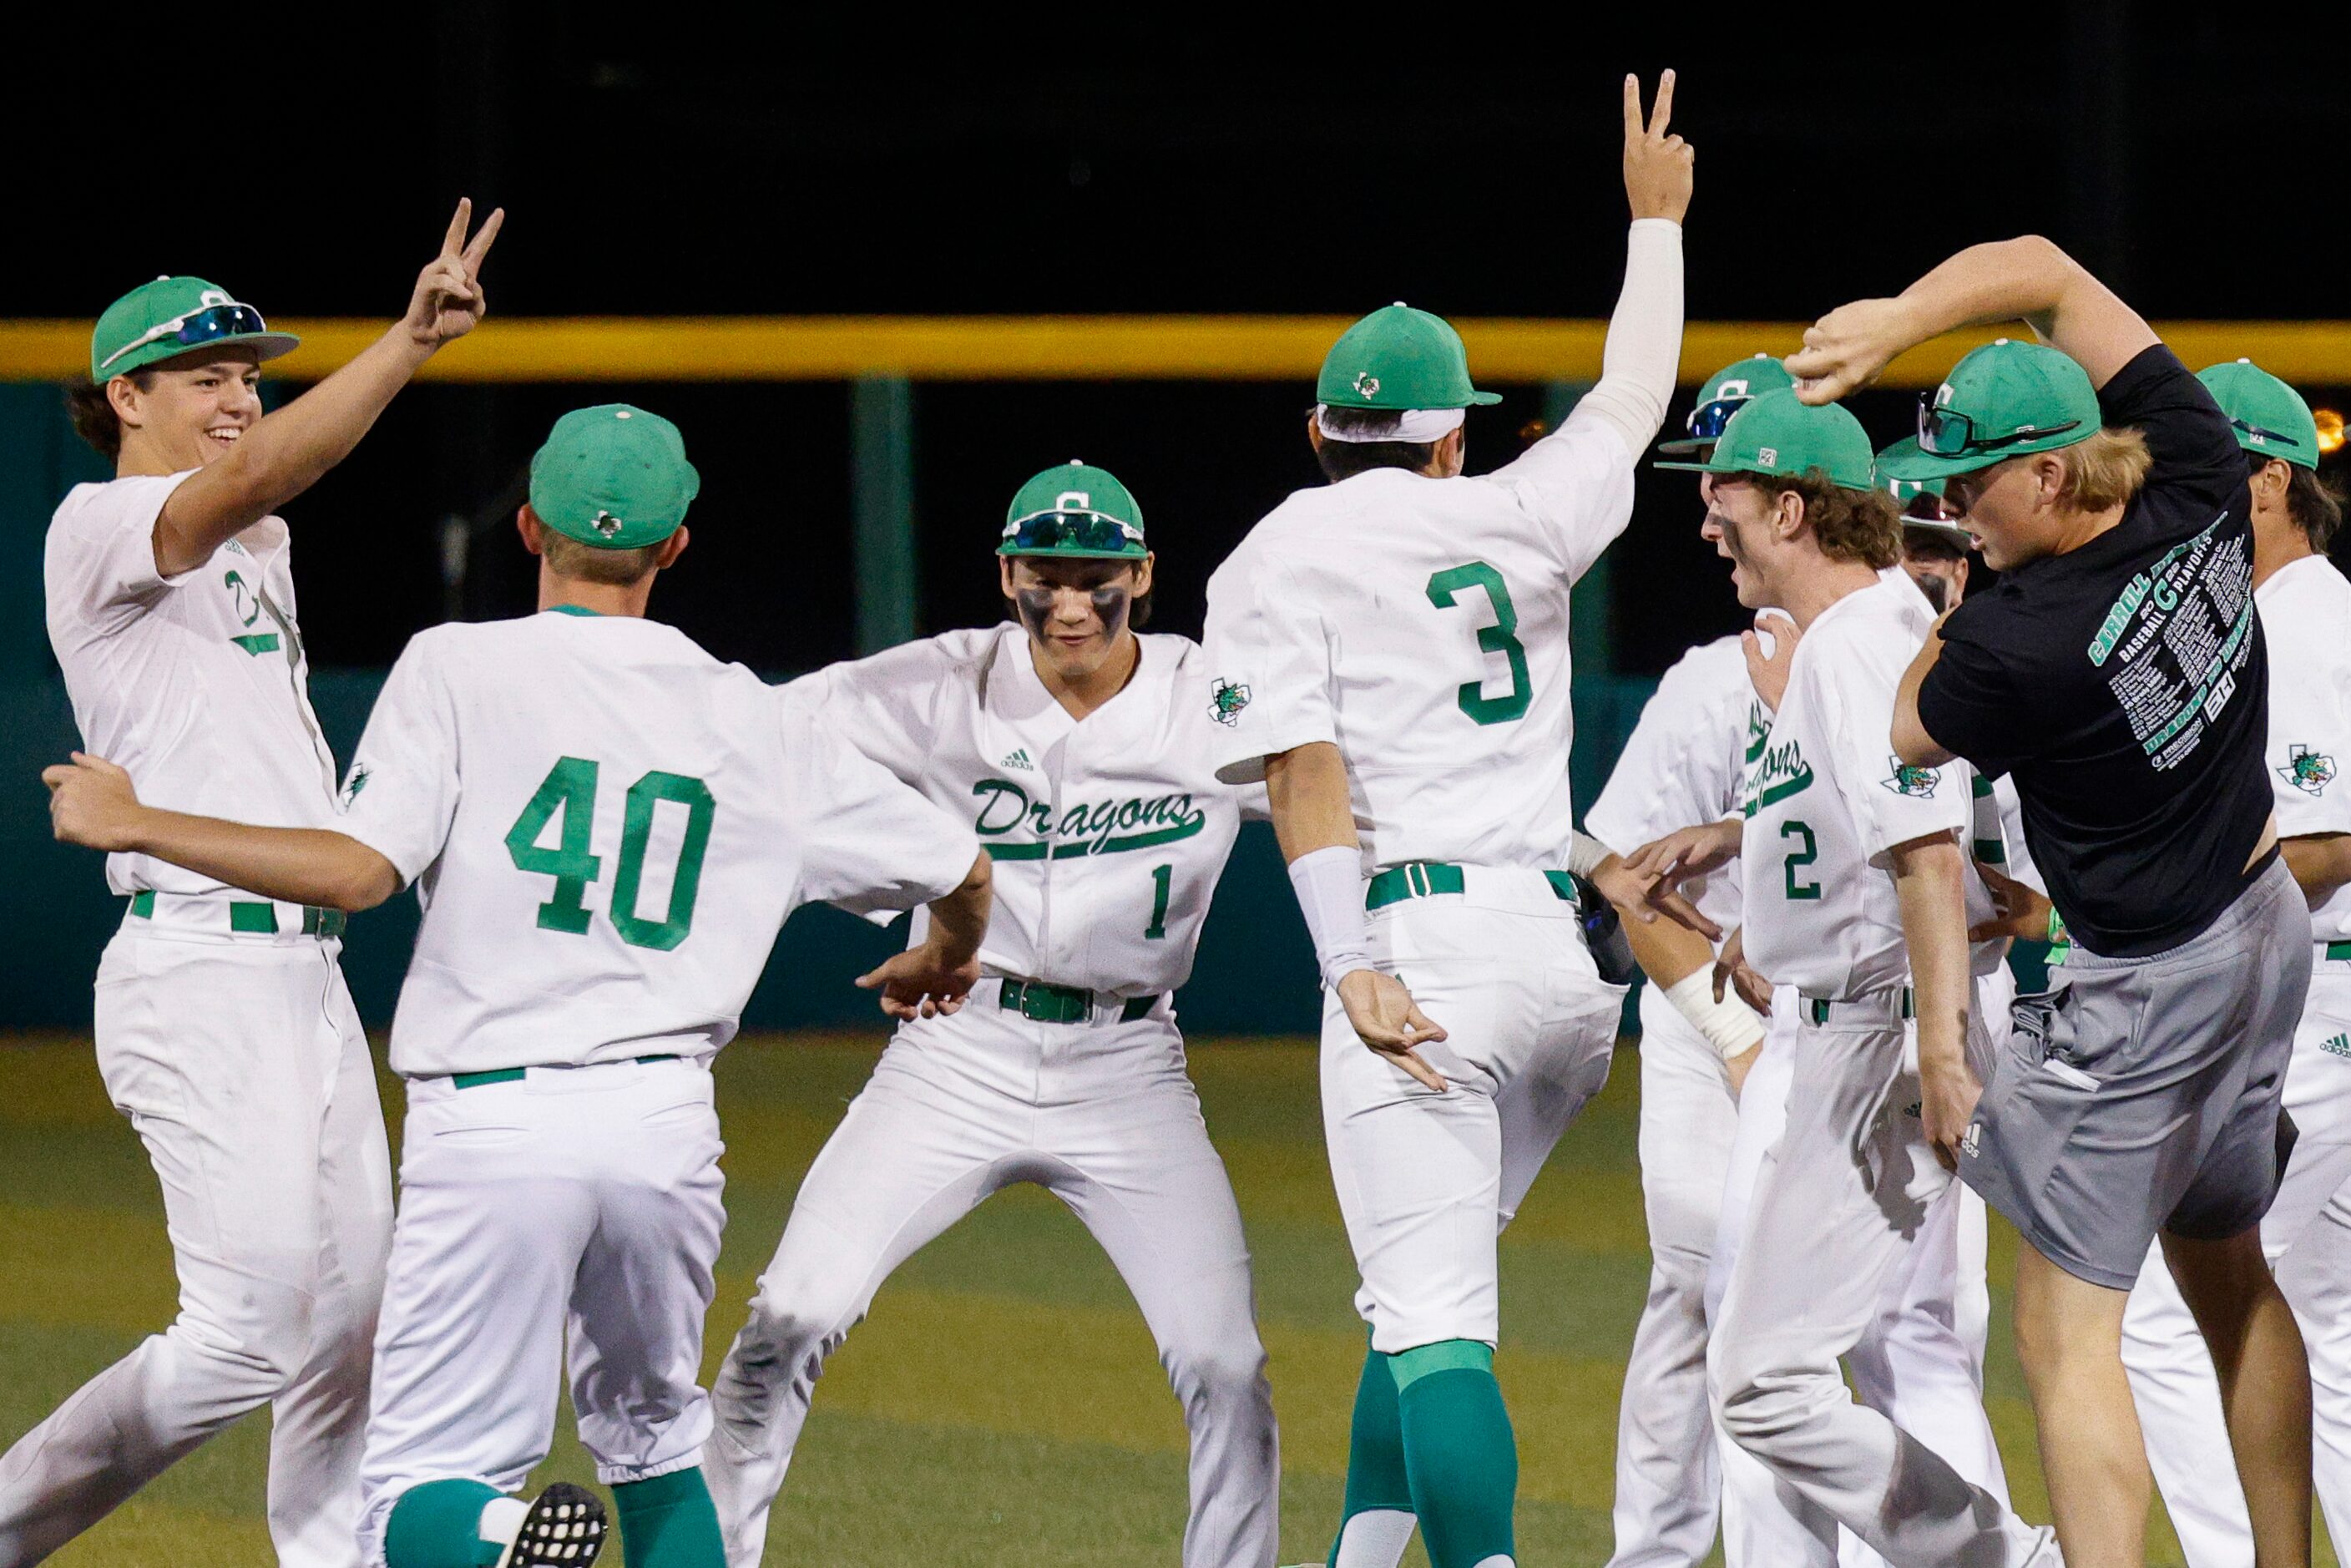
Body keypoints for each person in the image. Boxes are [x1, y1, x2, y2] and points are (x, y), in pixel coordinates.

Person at [44, 405, 993, 1568]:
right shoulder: (754, 713)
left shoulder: (456, 667)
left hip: (494, 1119)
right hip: (663, 1125)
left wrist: (140, 821)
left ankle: (497, 1537)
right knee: (655, 1447)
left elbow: (356, 870)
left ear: (531, 525)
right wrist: (947, 951)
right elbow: (963, 866)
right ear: (678, 543)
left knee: (409, 1501)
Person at [1201, 72, 1691, 1568]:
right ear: (1451, 438)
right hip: (1557, 968)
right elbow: (1630, 400)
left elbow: (1303, 776)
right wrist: (1654, 226)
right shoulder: (1517, 511)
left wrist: (1349, 958)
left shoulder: (1276, 552)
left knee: (1431, 1320)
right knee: (1419, 1295)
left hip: (1417, 948)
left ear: (1318, 429)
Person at [1797, 235, 2316, 1568]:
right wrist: (1904, 314)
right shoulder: (2198, 466)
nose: (1957, 510)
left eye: (1974, 486)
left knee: (2061, 1331)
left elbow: (1910, 731)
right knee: (2229, 1273)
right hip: (2267, 926)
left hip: (2151, 987)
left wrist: (1958, 597)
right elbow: (2043, 263)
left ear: (2045, 470)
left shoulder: (2013, 637)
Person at [3, 203, 500, 1568]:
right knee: (247, 1332)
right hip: (198, 968)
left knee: (353, 1325)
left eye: (247, 371)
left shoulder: (252, 547)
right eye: (207, 373)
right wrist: (405, 345)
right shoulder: (98, 522)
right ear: (127, 395)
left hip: (308, 973)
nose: (239, 393)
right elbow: (259, 475)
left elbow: (257, 495)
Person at [700, 461, 1281, 1568]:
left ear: (1143, 577)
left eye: (1096, 578)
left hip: (1130, 1064)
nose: (1069, 604)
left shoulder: (1212, 698)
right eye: (1045, 576)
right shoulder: (931, 687)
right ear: (1008, 574)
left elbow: (1343, 781)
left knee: (1224, 1361)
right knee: (791, 1313)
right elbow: (748, 731)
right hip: (955, 1046)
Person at [1627, 391, 2048, 1565]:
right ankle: (1998, 1553)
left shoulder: (1859, 642)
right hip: (1861, 1019)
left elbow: (1922, 849)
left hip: (1878, 1035)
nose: (1711, 522)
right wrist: (1755, 872)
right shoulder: (1860, 635)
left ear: (1797, 509)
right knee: (1768, 1372)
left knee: (1781, 1373)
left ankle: (2008, 1556)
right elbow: (1868, 835)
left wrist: (1944, 1049)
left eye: (1733, 499)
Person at [2115, 361, 2351, 1566]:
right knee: (2330, 1330)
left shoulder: (2295, 619)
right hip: (2327, 1009)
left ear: (2268, 480)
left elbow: (2322, 839)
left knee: (2168, 1313)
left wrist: (2178, 909)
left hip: (2317, 1017)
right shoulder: (2311, 611)